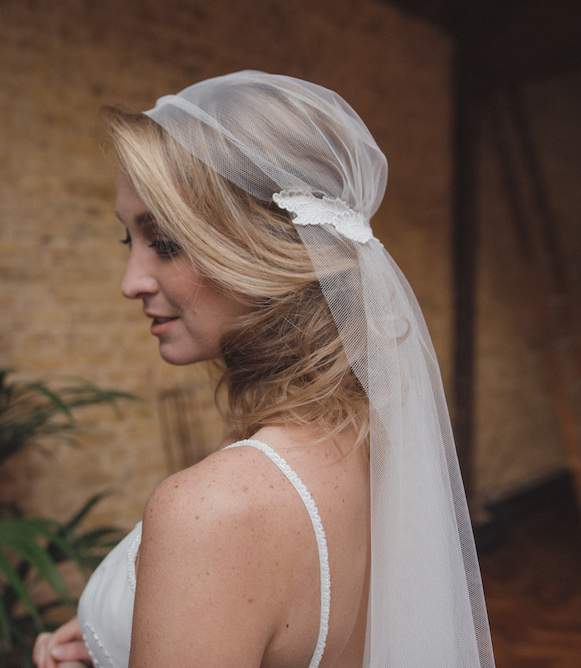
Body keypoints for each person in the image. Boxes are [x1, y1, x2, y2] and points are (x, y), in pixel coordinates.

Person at [33, 71, 494, 668]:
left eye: (166, 242)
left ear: (260, 246)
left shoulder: (213, 509)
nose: (131, 283)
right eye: (130, 242)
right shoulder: (368, 443)